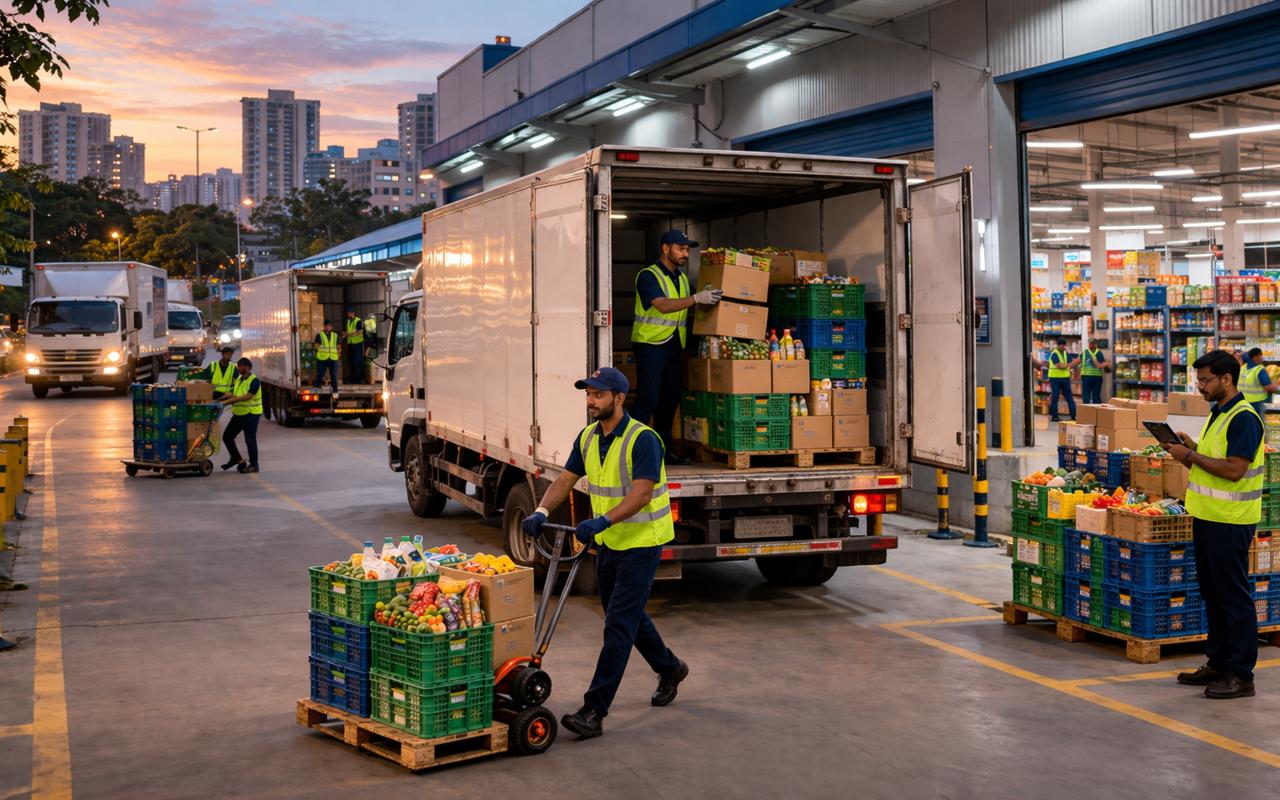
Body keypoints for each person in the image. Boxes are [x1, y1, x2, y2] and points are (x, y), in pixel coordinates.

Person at [521, 367, 687, 739]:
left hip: (642, 543)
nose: (591, 400)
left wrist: (603, 521)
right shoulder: (589, 438)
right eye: (588, 394)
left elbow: (642, 493)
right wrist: (542, 511)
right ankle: (670, 667)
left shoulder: (643, 439)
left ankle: (594, 710)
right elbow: (565, 479)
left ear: (618, 399)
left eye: (598, 394)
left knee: (617, 627)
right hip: (611, 543)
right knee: (624, 617)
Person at [1164, 349, 1264, 700]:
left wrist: (1189, 455)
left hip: (1231, 522)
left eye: (1205, 380)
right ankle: (1219, 661)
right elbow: (1213, 465)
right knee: (1213, 594)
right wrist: (1190, 449)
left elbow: (1235, 470)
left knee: (1233, 597)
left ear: (1226, 379)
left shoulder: (1244, 418)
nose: (1200, 387)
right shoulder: (1218, 412)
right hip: (1207, 518)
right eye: (1198, 380)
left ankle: (1241, 673)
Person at [631, 230, 723, 464]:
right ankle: (632, 452)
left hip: (674, 346)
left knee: (670, 400)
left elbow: (695, 303)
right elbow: (662, 306)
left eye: (687, 250)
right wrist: (696, 299)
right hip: (650, 345)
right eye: (680, 248)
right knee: (648, 400)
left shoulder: (681, 279)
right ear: (665, 248)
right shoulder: (648, 276)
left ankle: (663, 450)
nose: (685, 254)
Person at [220, 357, 263, 474]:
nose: (237, 368)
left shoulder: (254, 381)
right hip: (239, 414)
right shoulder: (239, 378)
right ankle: (237, 459)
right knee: (227, 436)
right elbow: (233, 392)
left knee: (250, 439)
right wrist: (218, 398)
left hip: (251, 414)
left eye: (240, 366)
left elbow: (248, 396)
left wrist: (229, 401)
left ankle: (254, 465)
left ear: (247, 367)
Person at [1033, 338, 1079, 422]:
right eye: (1061, 344)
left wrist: (1075, 363)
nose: (1062, 346)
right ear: (1058, 345)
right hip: (1055, 379)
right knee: (1055, 397)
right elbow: (1059, 366)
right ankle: (1054, 416)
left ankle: (1073, 416)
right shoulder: (1054, 354)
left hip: (1064, 379)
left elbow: (1071, 362)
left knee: (1068, 398)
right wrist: (1071, 364)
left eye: (1063, 344)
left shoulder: (1065, 353)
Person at [1239, 347, 1279, 417]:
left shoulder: (1242, 368)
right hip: (1256, 403)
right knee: (1258, 424)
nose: (1262, 357)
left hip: (1242, 403)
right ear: (1255, 357)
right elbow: (1268, 387)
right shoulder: (1259, 369)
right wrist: (1277, 387)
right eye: (1260, 355)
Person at [1079, 339, 1109, 405]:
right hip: (1096, 377)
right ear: (1096, 344)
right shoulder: (1099, 353)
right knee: (1096, 396)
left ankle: (1086, 412)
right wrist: (1106, 364)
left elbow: (1077, 361)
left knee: (1086, 396)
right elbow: (1102, 365)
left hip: (1086, 377)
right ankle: (1097, 412)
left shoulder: (1085, 353)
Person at [314, 320, 340, 394]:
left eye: (330, 326)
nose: (328, 327)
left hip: (333, 358)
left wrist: (338, 352)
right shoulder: (319, 335)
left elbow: (338, 346)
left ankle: (335, 391)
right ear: (324, 326)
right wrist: (320, 350)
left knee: (334, 375)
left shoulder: (335, 335)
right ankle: (316, 387)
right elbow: (316, 346)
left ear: (332, 327)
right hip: (323, 358)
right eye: (327, 325)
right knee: (320, 373)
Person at [343, 307, 365, 384]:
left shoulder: (358, 321)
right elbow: (349, 331)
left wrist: (348, 334)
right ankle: (353, 377)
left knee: (358, 361)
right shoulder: (348, 321)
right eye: (347, 313)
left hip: (358, 343)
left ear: (353, 313)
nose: (348, 314)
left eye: (349, 313)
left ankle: (360, 378)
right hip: (351, 343)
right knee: (351, 360)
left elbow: (359, 332)